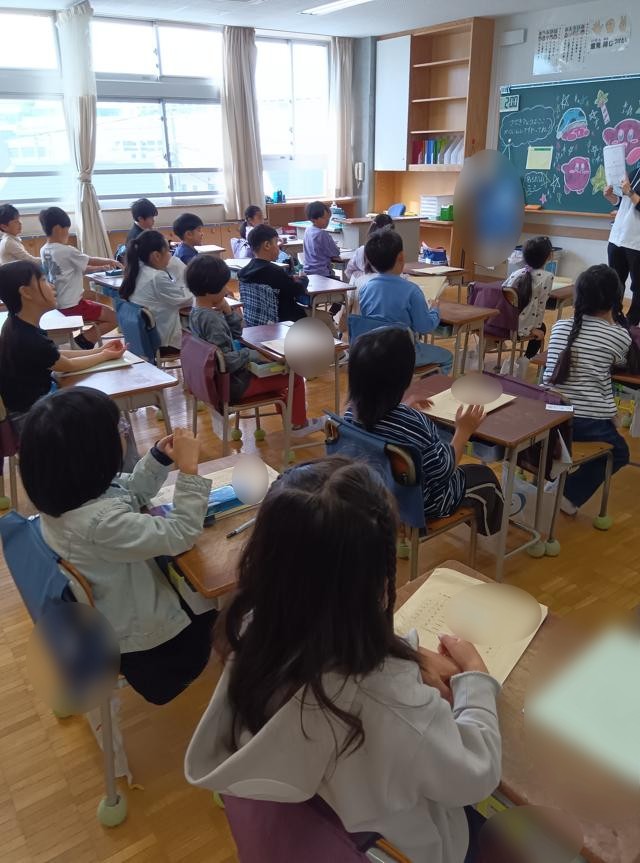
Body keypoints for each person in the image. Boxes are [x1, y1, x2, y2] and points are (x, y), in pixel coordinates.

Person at [185, 456, 501, 863]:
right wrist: (475, 680)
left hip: (310, 828)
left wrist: (405, 656)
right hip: (401, 848)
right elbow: (476, 775)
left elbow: (330, 645)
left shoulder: (251, 627)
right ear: (378, 581)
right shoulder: (393, 705)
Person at [19, 387, 216, 705]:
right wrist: (190, 473)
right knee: (229, 591)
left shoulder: (69, 496)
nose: (124, 432)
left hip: (122, 618)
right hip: (160, 651)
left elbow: (130, 492)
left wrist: (158, 458)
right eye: (119, 428)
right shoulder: (99, 523)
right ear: (94, 454)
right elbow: (181, 532)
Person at [346, 326, 504, 535]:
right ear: (403, 378)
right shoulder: (414, 423)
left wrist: (403, 407)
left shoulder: (348, 415)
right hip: (419, 506)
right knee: (484, 476)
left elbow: (384, 428)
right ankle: (494, 535)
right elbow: (444, 471)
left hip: (370, 495)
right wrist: (463, 431)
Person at [186, 255, 322, 435]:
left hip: (216, 384)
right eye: (223, 286)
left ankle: (292, 416)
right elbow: (226, 360)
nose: (226, 290)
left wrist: (228, 312)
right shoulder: (212, 320)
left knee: (277, 372)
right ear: (211, 289)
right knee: (294, 375)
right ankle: (298, 425)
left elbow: (236, 335)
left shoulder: (195, 313)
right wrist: (252, 355)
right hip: (234, 386)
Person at [544, 264, 631, 515]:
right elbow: (621, 363)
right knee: (620, 453)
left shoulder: (560, 326)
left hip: (547, 415)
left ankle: (556, 477)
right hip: (582, 421)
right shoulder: (618, 336)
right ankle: (568, 495)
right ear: (615, 300)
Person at [0, 261, 126, 433]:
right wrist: (105, 356)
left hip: (35, 406)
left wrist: (100, 350)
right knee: (111, 419)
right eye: (43, 280)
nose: (52, 286)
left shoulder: (18, 324)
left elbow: (57, 354)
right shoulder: (27, 338)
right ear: (26, 292)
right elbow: (67, 365)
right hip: (33, 418)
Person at [358, 230, 453, 373]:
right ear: (401, 256)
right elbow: (425, 327)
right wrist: (434, 309)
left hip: (374, 351)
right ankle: (425, 387)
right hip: (403, 352)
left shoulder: (365, 289)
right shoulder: (412, 291)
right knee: (447, 358)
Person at [38, 206, 119, 348]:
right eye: (67, 229)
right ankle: (83, 342)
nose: (68, 234)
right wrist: (109, 261)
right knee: (115, 318)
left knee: (105, 311)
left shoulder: (44, 250)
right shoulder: (66, 250)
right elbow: (89, 260)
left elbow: (72, 269)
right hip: (73, 306)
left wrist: (99, 268)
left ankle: (83, 340)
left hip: (58, 304)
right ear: (58, 229)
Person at [119, 229, 192, 352]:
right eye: (168, 251)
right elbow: (187, 299)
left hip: (143, 339)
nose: (170, 255)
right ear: (156, 256)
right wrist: (176, 265)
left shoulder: (137, 270)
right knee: (206, 336)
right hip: (163, 343)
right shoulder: (156, 277)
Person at [240, 224, 310, 322]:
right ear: (267, 245)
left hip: (258, 321)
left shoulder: (243, 272)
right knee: (324, 317)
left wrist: (289, 279)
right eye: (276, 242)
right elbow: (296, 290)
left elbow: (279, 284)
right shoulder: (275, 271)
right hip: (284, 322)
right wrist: (303, 279)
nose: (278, 247)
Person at [502, 236, 554, 362]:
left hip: (503, 323)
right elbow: (541, 306)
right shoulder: (547, 277)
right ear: (549, 256)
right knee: (542, 328)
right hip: (520, 327)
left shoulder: (517, 273)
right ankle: (526, 359)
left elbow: (502, 293)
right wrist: (534, 327)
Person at [604, 167, 640, 325]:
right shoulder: (635, 171)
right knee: (614, 281)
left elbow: (632, 198)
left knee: (638, 287)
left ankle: (632, 324)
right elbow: (622, 203)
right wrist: (611, 197)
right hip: (618, 236)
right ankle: (614, 317)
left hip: (636, 241)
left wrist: (630, 192)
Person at [344, 212, 395, 282]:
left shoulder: (361, 250)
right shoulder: (391, 251)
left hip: (361, 285)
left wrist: (360, 276)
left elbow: (348, 271)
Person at [302, 201, 342, 278]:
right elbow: (335, 253)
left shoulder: (308, 230)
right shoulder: (322, 234)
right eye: (324, 218)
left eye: (328, 217)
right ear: (313, 219)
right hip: (322, 274)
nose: (327, 220)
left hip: (308, 273)